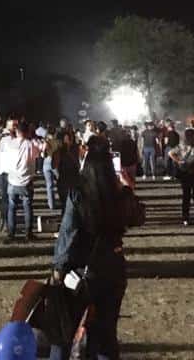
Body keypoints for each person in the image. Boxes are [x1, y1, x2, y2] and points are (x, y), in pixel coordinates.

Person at [49, 138, 139, 360]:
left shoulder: (78, 193)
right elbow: (137, 217)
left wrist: (58, 267)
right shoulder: (118, 195)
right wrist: (129, 190)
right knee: (107, 334)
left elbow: (68, 232)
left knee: (64, 331)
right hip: (113, 268)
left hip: (81, 270)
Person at [6, 122, 41, 240]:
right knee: (27, 207)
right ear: (27, 132)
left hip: (12, 180)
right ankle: (28, 233)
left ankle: (11, 233)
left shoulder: (10, 144)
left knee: (12, 207)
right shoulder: (29, 144)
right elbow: (37, 154)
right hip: (26, 180)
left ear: (16, 131)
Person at [169, 128, 194, 225]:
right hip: (190, 173)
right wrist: (179, 161)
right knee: (190, 197)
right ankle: (190, 218)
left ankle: (192, 218)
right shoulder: (184, 146)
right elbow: (171, 153)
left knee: (192, 197)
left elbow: (171, 153)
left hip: (192, 173)